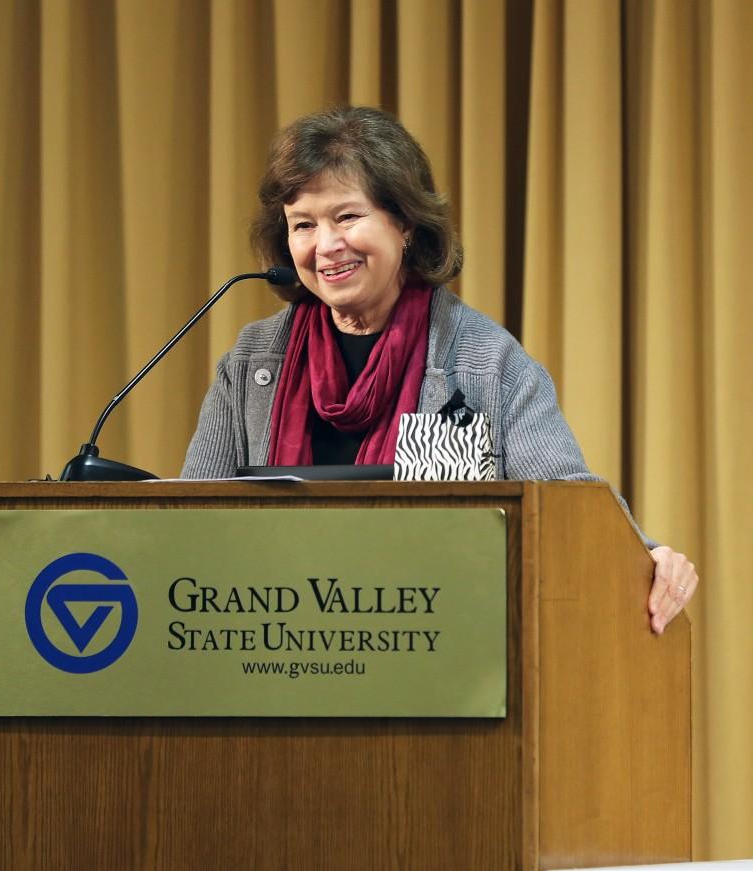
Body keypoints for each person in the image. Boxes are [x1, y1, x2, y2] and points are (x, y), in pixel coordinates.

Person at [181, 105, 697, 634]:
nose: (325, 245)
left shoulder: (484, 361)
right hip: (274, 650)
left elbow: (568, 506)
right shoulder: (252, 361)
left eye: (347, 217)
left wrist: (649, 557)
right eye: (303, 225)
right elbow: (190, 525)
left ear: (404, 222)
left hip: (431, 650)